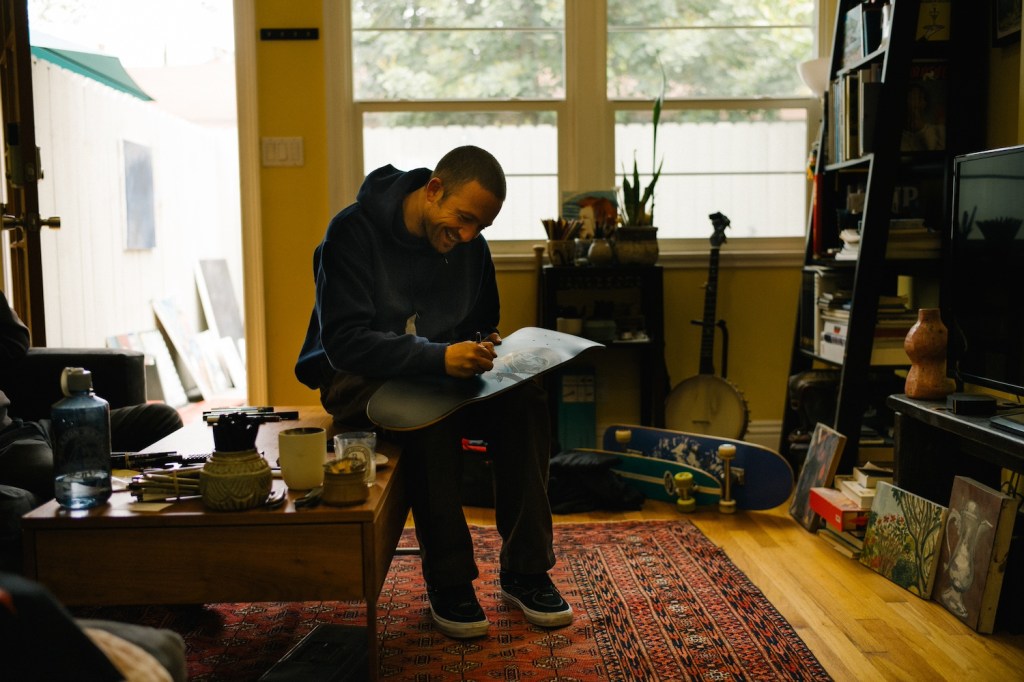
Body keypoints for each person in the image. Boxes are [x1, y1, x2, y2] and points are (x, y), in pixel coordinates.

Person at [295, 145, 572, 639]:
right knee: (430, 414)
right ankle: (450, 581)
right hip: (355, 374)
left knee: (525, 399)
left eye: (479, 228)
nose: (467, 236)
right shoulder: (351, 231)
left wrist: (486, 348)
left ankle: (526, 569)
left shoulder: (469, 244)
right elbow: (343, 343)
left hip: (440, 371)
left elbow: (482, 321)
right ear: (433, 190)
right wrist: (437, 358)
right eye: (463, 219)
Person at [0, 290, 183, 571]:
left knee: (161, 419)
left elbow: (15, 341)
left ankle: (169, 530)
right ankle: (150, 562)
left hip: (27, 427)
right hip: (9, 451)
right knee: (71, 478)